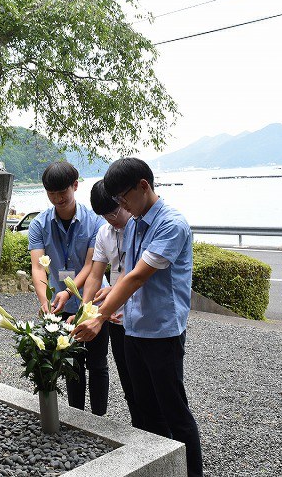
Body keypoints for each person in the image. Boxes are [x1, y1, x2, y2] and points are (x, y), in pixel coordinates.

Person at [73, 157, 203, 477]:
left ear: (143, 187)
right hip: (133, 328)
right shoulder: (134, 223)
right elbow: (127, 274)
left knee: (174, 412)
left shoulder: (171, 223)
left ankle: (193, 472)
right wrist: (105, 294)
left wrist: (99, 317)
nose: (122, 206)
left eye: (123, 198)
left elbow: (137, 277)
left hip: (162, 331)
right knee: (143, 411)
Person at [27, 161, 108, 415]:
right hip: (58, 304)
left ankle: (99, 419)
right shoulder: (39, 225)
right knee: (71, 362)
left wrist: (69, 290)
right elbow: (39, 268)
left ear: (75, 185)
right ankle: (77, 416)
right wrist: (44, 304)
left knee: (97, 363)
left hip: (91, 301)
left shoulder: (94, 222)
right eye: (51, 193)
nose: (57, 199)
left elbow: (92, 266)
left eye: (62, 192)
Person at [84, 180, 139, 425]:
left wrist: (103, 311)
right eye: (104, 215)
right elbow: (96, 275)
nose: (111, 219)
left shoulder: (140, 228)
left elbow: (137, 274)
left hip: (140, 317)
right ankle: (140, 431)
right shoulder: (105, 232)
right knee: (128, 383)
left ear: (124, 201)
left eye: (114, 211)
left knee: (146, 386)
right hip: (116, 319)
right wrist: (86, 310)